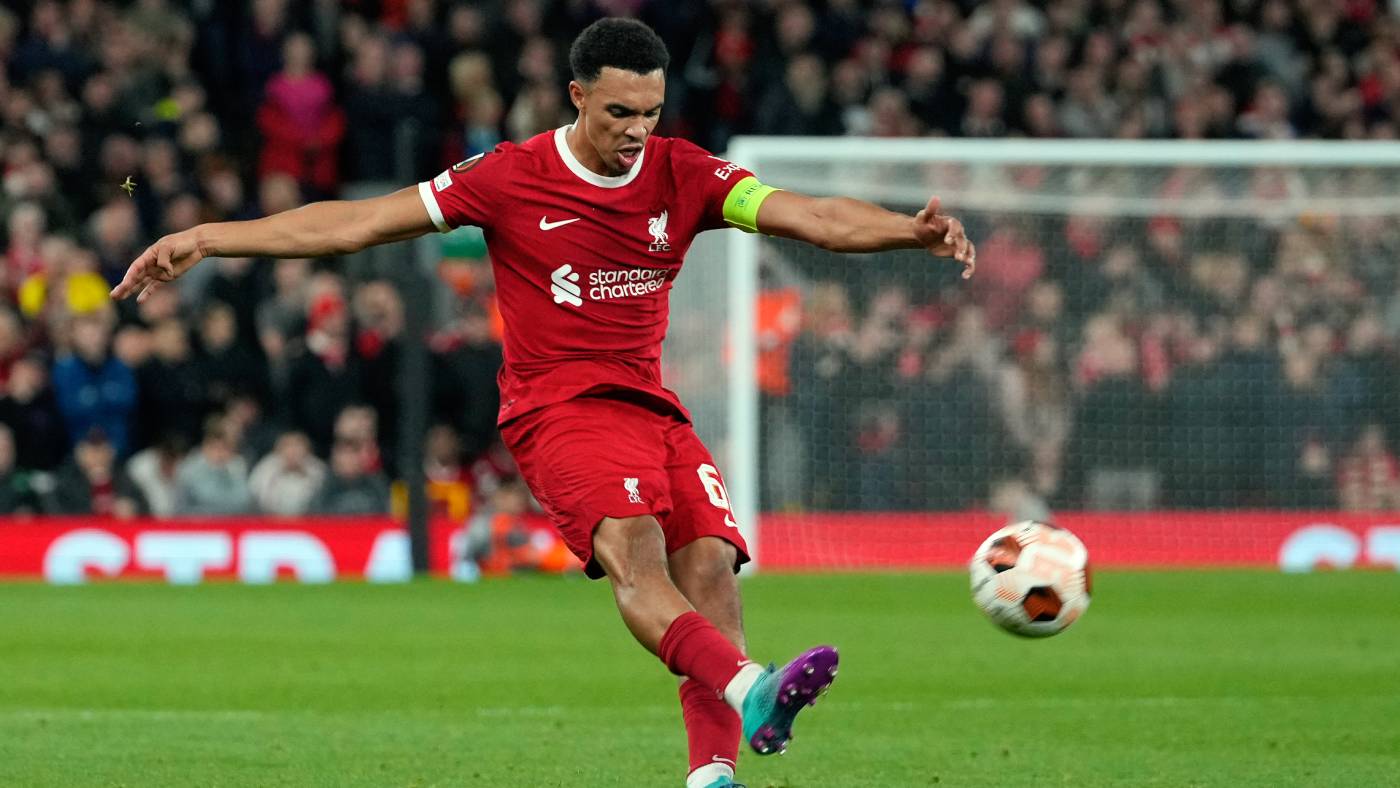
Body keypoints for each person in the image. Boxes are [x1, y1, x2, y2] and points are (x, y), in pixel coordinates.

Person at [109, 19, 975, 788]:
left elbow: (810, 214)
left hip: (651, 406)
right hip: (558, 409)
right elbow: (356, 223)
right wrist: (210, 237)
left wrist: (906, 230)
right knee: (637, 557)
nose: (637, 131)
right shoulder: (507, 176)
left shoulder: (686, 173)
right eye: (619, 112)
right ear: (576, 96)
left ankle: (712, 775)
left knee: (712, 565)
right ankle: (754, 689)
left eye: (650, 113)